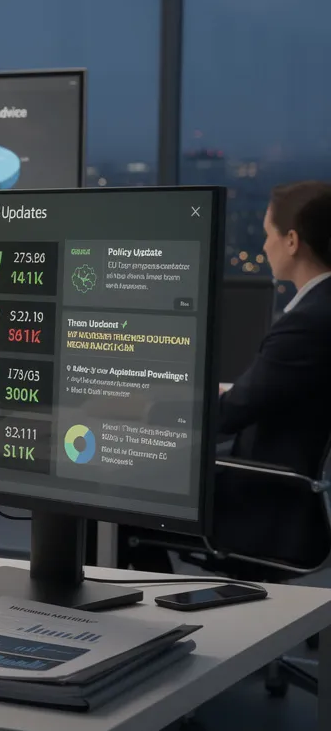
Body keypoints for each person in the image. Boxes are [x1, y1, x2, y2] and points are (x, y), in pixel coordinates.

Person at [120, 181, 331, 573]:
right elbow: (285, 391)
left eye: (268, 235)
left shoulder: (307, 322)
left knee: (125, 494)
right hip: (288, 488)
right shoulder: (320, 311)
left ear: (292, 241)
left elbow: (230, 416)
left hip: (270, 505)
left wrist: (145, 408)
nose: (264, 246)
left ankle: (141, 617)